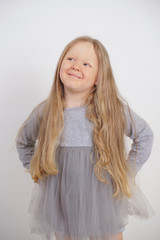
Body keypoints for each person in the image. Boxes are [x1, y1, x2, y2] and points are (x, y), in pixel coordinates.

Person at [16, 36, 154, 240]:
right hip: (60, 198)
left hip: (103, 197)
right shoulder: (46, 111)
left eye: (86, 63)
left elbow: (145, 135)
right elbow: (23, 142)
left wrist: (125, 173)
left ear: (99, 77)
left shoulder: (111, 109)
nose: (76, 65)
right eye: (70, 59)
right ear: (60, 64)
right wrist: (38, 169)